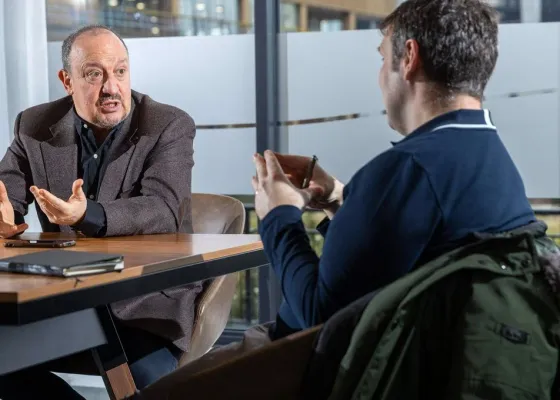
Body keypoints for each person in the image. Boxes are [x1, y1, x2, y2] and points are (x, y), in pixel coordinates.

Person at [135, 0, 537, 397]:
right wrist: (341, 200)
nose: (380, 76)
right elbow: (403, 255)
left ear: (409, 57)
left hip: (314, 364)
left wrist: (278, 215)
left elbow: (318, 315)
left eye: (383, 58)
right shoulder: (491, 160)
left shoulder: (409, 169)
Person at [0, 25, 200, 399]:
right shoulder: (35, 125)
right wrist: (4, 216)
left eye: (120, 71)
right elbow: (7, 194)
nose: (111, 87)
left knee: (148, 386)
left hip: (142, 306)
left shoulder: (167, 124)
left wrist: (86, 214)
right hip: (64, 301)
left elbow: (163, 209)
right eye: (94, 74)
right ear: (67, 81)